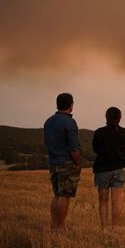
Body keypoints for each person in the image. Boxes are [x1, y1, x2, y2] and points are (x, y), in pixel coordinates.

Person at [44, 93, 82, 229]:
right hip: (66, 163)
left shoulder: (48, 122)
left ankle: (54, 224)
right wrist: (78, 163)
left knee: (57, 195)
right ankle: (60, 226)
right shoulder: (69, 122)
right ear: (71, 105)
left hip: (53, 162)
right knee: (64, 196)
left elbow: (47, 143)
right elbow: (74, 148)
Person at [92, 107, 125, 227]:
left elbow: (95, 149)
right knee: (116, 201)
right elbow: (124, 146)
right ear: (120, 118)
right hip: (119, 168)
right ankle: (115, 229)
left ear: (106, 117)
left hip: (102, 169)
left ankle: (104, 228)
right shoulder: (124, 132)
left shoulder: (99, 132)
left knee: (103, 200)